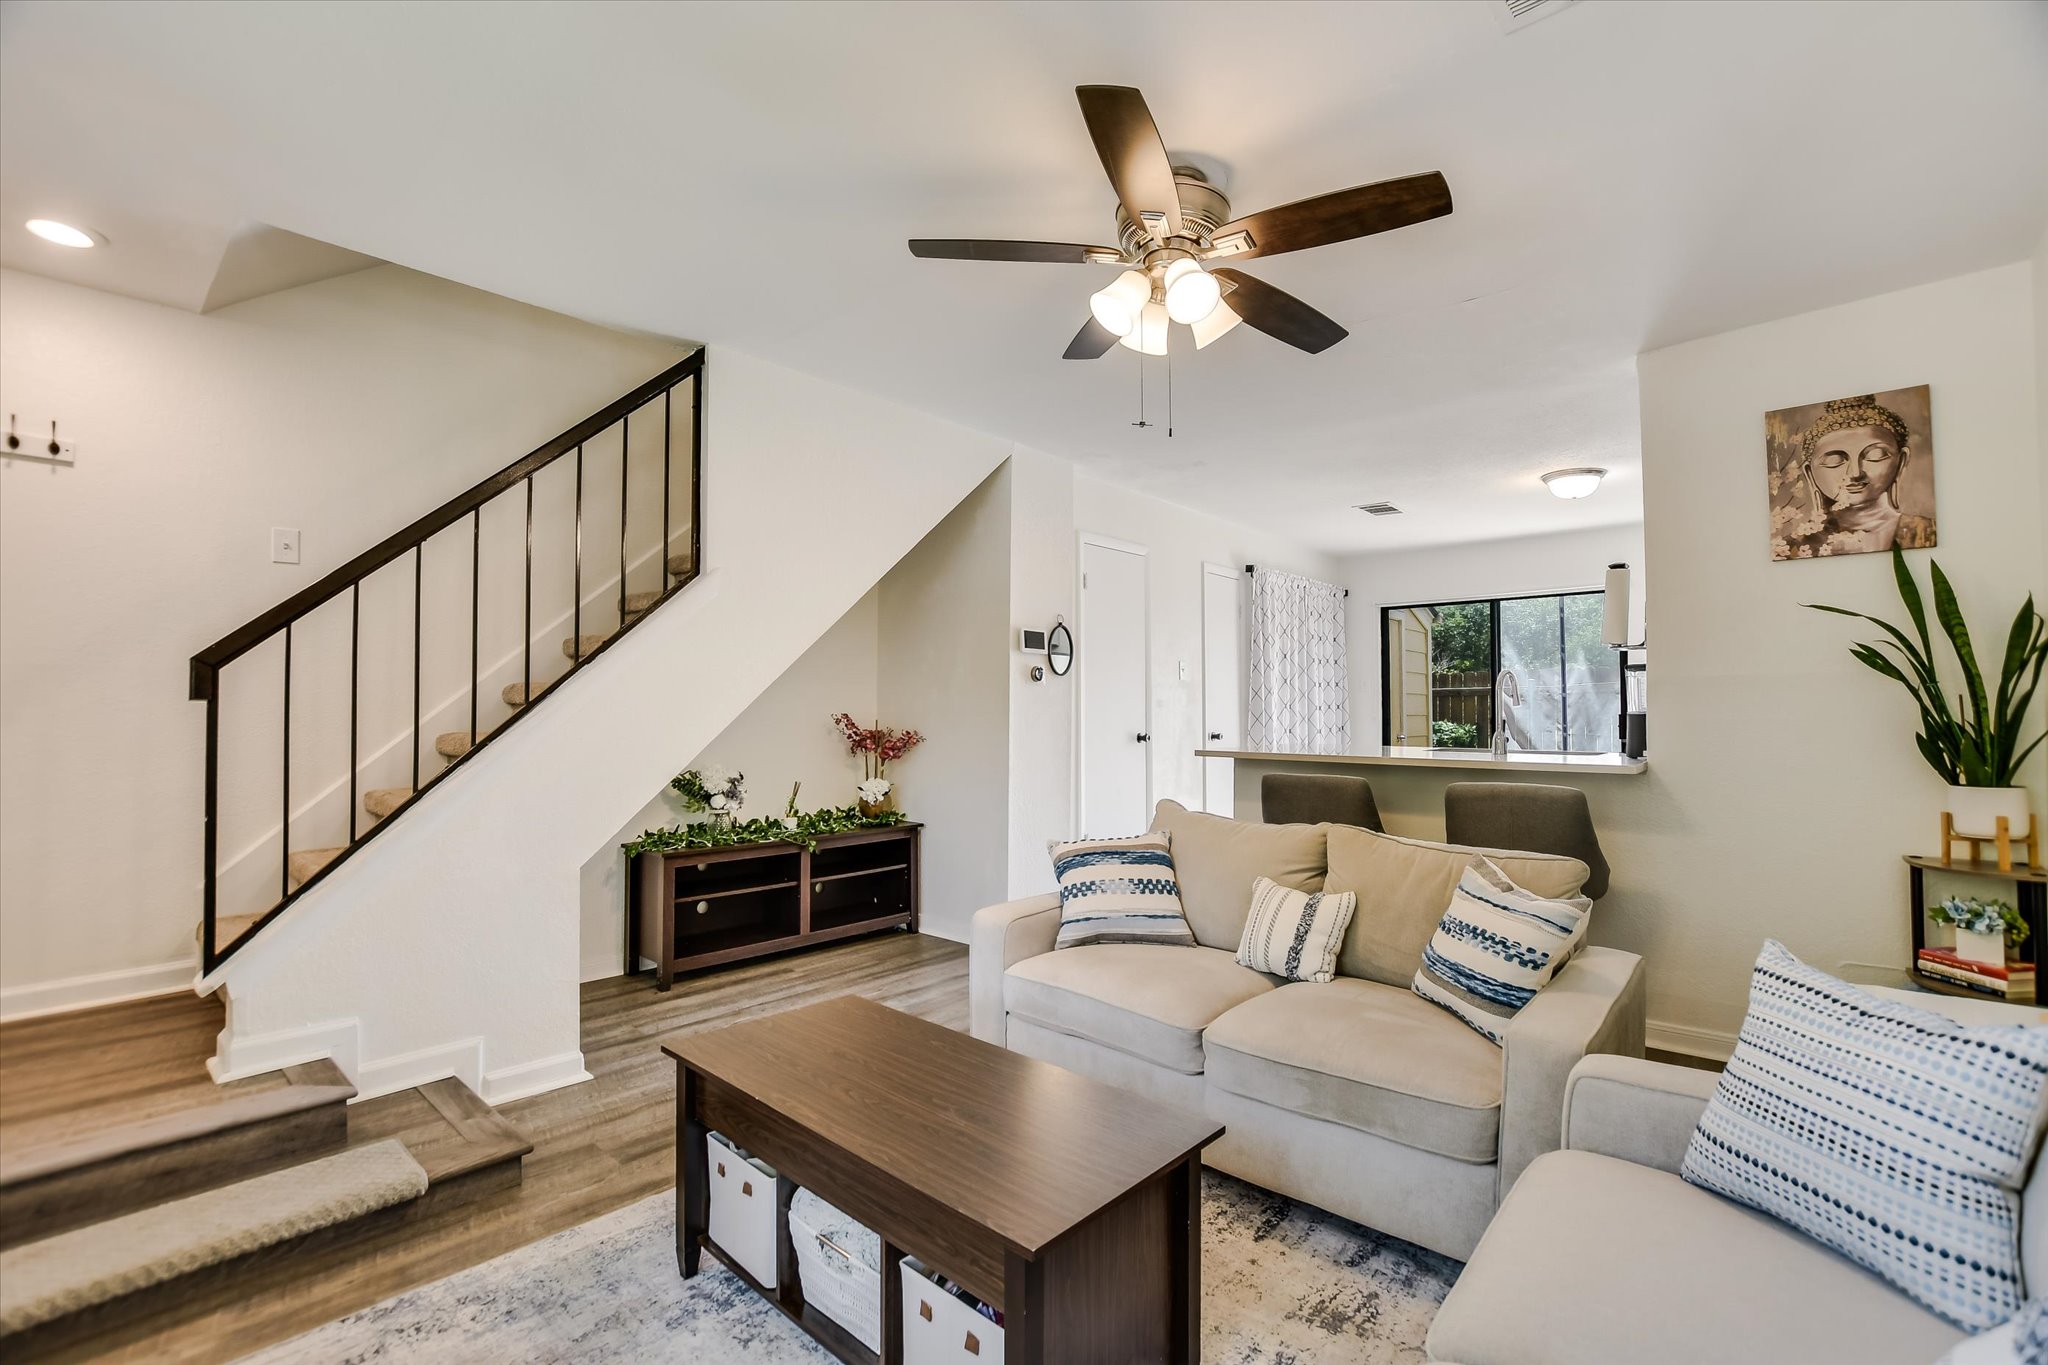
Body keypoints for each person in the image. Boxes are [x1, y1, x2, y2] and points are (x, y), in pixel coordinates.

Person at [1781, 395, 1934, 557]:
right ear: (1809, 472)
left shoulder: (1928, 532)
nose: (1855, 473)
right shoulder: (1789, 549)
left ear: (1901, 461)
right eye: (1835, 460)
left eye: (1876, 455)